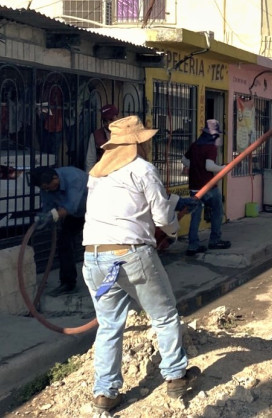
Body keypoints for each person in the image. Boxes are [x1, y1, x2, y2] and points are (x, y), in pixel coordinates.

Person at [82, 115, 199, 413]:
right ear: (136, 144)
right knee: (164, 315)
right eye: (144, 142)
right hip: (130, 253)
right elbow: (161, 218)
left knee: (109, 325)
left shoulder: (96, 173)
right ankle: (175, 376)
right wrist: (173, 228)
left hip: (95, 257)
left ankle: (105, 393)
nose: (147, 146)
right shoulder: (142, 169)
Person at [29, 165, 88, 296]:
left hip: (94, 210)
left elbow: (71, 206)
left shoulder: (74, 178)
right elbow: (48, 207)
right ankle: (68, 283)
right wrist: (44, 218)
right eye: (45, 189)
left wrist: (53, 215)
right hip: (76, 215)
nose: (48, 190)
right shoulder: (46, 186)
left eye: (49, 187)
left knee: (96, 245)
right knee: (64, 242)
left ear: (55, 178)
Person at [182, 119, 231, 256]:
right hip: (208, 187)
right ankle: (215, 240)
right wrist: (223, 168)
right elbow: (209, 166)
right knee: (217, 211)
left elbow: (184, 160)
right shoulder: (211, 147)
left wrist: (194, 167)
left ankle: (193, 245)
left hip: (194, 187)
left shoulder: (195, 145)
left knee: (195, 216)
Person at [85, 103, 119, 173]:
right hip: (104, 175)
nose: (108, 123)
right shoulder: (95, 136)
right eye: (105, 121)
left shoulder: (125, 133)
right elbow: (90, 161)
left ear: (117, 117)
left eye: (111, 119)